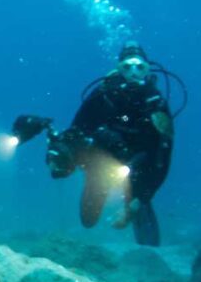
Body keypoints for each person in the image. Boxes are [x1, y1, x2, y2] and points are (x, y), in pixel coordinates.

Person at [45, 42, 175, 246]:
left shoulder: (156, 103)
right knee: (88, 220)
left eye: (140, 67)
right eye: (127, 67)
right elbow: (76, 131)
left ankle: (138, 207)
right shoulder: (103, 94)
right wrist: (63, 157)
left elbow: (163, 156)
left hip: (137, 169)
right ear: (119, 68)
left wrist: (139, 199)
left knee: (141, 218)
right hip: (101, 164)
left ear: (147, 70)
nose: (134, 72)